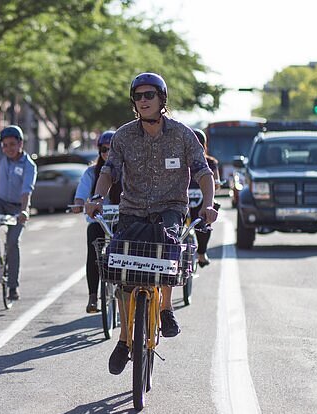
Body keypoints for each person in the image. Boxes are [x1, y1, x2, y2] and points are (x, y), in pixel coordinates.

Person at [85, 72, 218, 375]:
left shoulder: (183, 135)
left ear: (161, 99)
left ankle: (166, 309)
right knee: (121, 268)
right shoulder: (124, 136)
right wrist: (97, 197)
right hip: (131, 210)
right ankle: (123, 340)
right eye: (138, 96)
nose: (143, 101)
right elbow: (109, 171)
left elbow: (203, 172)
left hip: (170, 210)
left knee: (167, 249)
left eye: (149, 95)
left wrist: (208, 204)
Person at [0, 95, 37, 301]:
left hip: (17, 207)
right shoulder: (2, 156)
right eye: (5, 145)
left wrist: (24, 210)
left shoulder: (29, 165)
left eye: (12, 144)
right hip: (0, 203)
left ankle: (13, 286)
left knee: (13, 243)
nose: (8, 148)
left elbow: (26, 189)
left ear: (20, 144)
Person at [71, 130, 121, 313]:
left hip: (121, 220)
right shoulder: (92, 172)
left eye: (112, 149)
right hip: (99, 221)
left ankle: (124, 286)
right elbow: (81, 195)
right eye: (104, 149)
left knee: (126, 246)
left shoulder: (128, 170)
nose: (107, 153)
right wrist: (78, 204)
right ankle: (93, 296)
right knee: (93, 248)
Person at [191, 128, 221, 267]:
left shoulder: (181, 160)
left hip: (184, 201)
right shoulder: (211, 162)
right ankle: (202, 254)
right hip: (199, 202)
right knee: (205, 223)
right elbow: (217, 184)